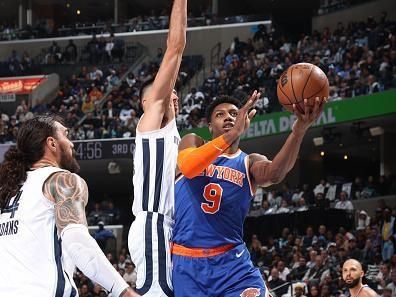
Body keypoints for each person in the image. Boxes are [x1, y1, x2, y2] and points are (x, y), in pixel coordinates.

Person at [172, 94, 324, 296]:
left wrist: (298, 131)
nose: (229, 117)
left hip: (232, 263)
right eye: (220, 114)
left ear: (245, 120)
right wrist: (230, 135)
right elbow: (188, 167)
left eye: (235, 113)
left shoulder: (248, 162)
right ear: (209, 126)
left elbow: (275, 173)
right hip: (188, 265)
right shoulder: (193, 142)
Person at [0, 115, 139, 297]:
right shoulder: (61, 180)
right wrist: (123, 290)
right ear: (52, 143)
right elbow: (77, 242)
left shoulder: (8, 191)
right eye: (66, 135)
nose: (72, 143)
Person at [127, 0, 187, 296]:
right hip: (153, 222)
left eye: (175, 91)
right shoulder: (152, 120)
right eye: (165, 91)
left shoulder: (172, 136)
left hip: (165, 226)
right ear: (146, 103)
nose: (172, 93)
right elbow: (175, 47)